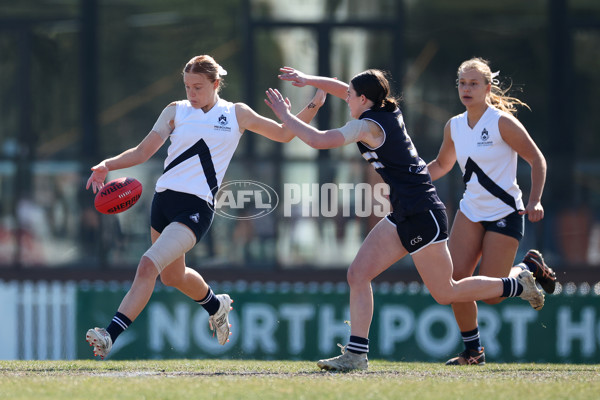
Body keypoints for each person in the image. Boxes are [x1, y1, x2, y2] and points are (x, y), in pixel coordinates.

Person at [265, 67, 546, 372]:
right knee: (358, 274)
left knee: (446, 292)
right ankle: (356, 354)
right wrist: (308, 80)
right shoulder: (385, 106)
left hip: (423, 214)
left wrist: (285, 114)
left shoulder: (367, 127)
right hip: (404, 211)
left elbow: (319, 140)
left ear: (363, 98)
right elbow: (346, 87)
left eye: (350, 97)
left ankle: (518, 285)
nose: (345, 99)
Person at [85, 55, 325, 360]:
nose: (191, 93)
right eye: (187, 86)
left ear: (215, 84)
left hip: (195, 208)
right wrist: (108, 164)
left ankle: (109, 335)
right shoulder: (176, 110)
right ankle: (216, 306)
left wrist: (314, 105)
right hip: (163, 202)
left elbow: (284, 133)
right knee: (172, 277)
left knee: (148, 265)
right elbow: (143, 151)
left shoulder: (236, 113)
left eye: (198, 87)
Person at [426, 57, 556, 365]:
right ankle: (474, 352)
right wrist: (409, 179)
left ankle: (526, 270)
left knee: (492, 295)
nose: (467, 89)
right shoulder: (454, 126)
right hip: (470, 212)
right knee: (454, 281)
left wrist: (535, 200)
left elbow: (537, 160)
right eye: (462, 83)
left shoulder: (501, 122)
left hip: (505, 213)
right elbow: (443, 164)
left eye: (473, 83)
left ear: (487, 87)